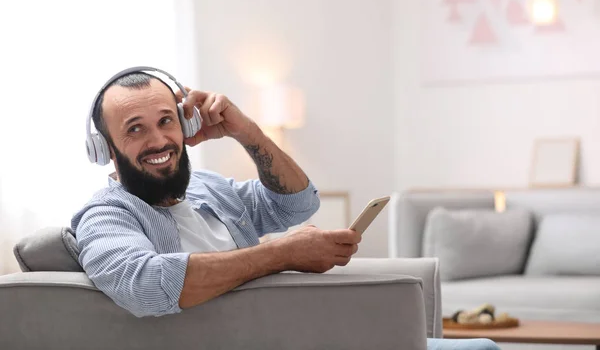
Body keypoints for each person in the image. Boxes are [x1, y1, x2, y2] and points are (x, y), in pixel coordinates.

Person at [72, 67, 500, 350]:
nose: (159, 140)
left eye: (167, 120)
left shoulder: (207, 188)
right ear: (106, 149)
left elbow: (296, 203)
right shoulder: (107, 215)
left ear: (185, 125)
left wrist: (246, 131)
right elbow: (147, 285)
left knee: (480, 346)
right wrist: (283, 254)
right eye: (135, 130)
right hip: (256, 340)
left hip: (291, 333)